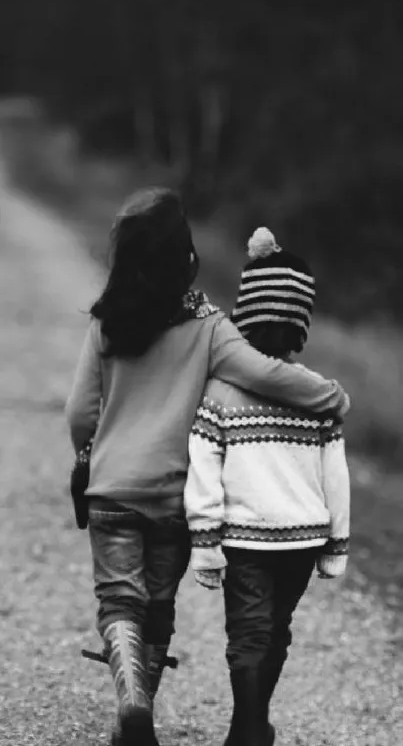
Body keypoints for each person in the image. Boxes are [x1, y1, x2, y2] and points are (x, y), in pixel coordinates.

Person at [66, 192, 349, 746]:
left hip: (111, 493)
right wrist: (330, 396)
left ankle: (132, 703)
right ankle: (139, 707)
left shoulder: (106, 324)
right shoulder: (208, 326)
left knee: (120, 600)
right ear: (185, 258)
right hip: (173, 498)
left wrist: (89, 453)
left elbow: (81, 411)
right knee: (158, 605)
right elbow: (265, 373)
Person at [184, 226, 350, 746]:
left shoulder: (219, 393)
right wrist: (337, 545)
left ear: (244, 315)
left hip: (245, 538)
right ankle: (252, 724)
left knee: (250, 632)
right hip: (304, 538)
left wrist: (205, 540)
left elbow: (202, 464)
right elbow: (335, 476)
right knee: (276, 629)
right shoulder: (318, 397)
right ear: (301, 321)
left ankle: (248, 726)